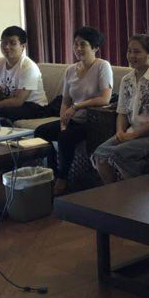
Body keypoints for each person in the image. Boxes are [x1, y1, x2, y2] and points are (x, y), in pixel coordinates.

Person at [34, 27, 113, 195]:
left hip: (93, 123)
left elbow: (105, 99)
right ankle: (52, 173)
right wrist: (63, 121)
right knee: (40, 132)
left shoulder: (102, 66)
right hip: (73, 120)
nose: (78, 48)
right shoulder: (70, 70)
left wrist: (77, 107)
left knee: (65, 137)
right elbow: (65, 101)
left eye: (83, 44)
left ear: (95, 48)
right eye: (75, 44)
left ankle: (62, 179)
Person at [92, 34, 149, 183]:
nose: (131, 56)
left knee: (117, 154)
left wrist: (134, 135)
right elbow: (122, 112)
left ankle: (140, 190)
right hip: (133, 131)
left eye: (137, 52)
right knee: (100, 155)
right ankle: (115, 192)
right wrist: (120, 132)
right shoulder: (127, 80)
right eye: (129, 51)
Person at [0, 26, 48, 122]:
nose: (6, 47)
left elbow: (18, 101)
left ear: (23, 47)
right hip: (11, 104)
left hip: (34, 106)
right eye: (4, 43)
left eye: (12, 43)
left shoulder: (29, 67)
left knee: (1, 112)